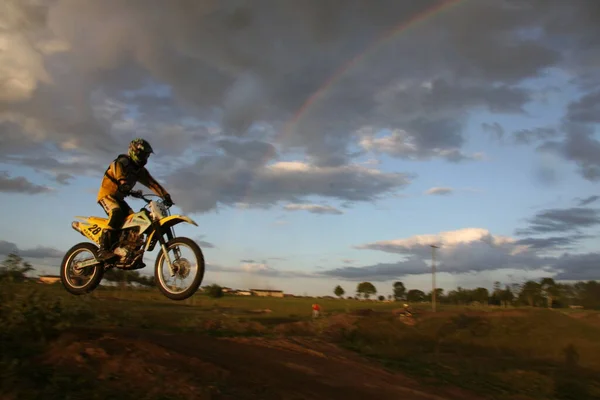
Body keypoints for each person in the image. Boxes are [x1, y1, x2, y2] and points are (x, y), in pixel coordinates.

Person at [96, 138, 173, 261]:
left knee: (134, 222)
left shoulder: (140, 171)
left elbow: (152, 183)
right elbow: (117, 169)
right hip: (107, 195)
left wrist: (165, 195)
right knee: (116, 213)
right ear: (134, 152)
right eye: (143, 154)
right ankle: (103, 250)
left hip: (119, 199)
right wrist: (123, 182)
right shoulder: (122, 161)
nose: (145, 158)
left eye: (147, 156)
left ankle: (124, 249)